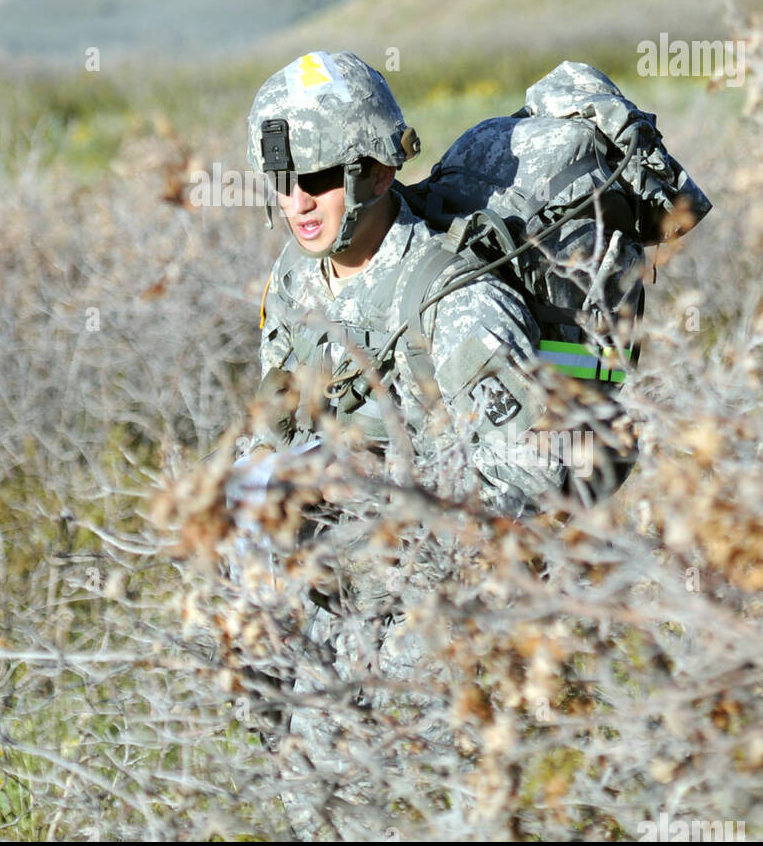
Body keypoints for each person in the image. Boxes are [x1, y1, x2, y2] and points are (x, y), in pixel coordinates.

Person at [240, 48, 631, 517]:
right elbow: (280, 415)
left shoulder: (453, 303)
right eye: (282, 179)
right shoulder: (294, 275)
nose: (297, 201)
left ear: (379, 173)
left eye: (319, 177)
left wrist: (383, 485)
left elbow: (530, 469)